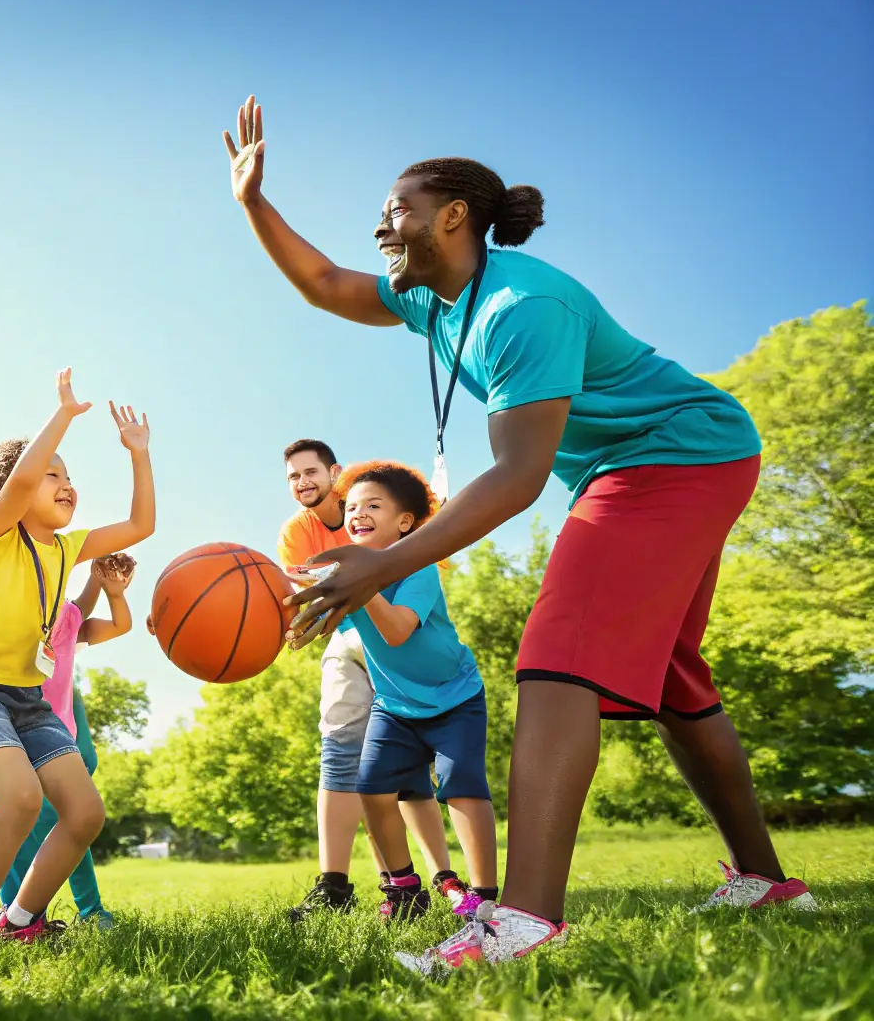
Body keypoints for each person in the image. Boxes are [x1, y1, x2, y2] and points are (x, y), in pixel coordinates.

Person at [223, 94, 813, 971]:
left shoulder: (519, 308)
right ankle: (766, 880)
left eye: (397, 209)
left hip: (674, 457)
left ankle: (524, 919)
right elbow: (325, 285)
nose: (381, 223)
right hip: (666, 461)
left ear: (452, 217)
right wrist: (253, 204)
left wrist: (380, 564)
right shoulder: (435, 301)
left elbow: (516, 476)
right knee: (675, 678)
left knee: (557, 651)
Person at [0, 371, 154, 968]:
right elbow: (24, 475)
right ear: (16, 486)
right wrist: (62, 416)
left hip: (27, 699)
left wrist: (139, 454)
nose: (65, 484)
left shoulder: (67, 546)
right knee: (22, 799)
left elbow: (140, 527)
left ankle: (19, 921)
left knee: (85, 814)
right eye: (51, 474)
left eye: (70, 476)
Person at [278, 440, 471, 922]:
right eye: (293, 476)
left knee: (406, 768)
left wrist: (420, 528)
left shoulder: (372, 504)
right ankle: (335, 885)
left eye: (310, 472)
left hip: (398, 634)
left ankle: (441, 876)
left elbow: (422, 567)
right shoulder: (299, 530)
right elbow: (298, 591)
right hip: (350, 635)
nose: (302, 482)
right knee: (343, 751)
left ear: (333, 473)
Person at [337, 462, 499, 923]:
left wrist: (361, 584)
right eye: (351, 507)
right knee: (372, 790)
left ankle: (483, 897)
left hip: (455, 699)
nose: (358, 513)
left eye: (372, 505)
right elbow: (300, 620)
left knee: (461, 787)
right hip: (396, 708)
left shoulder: (419, 568)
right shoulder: (350, 582)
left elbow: (398, 632)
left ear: (405, 523)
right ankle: (404, 888)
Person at [0, 554, 136, 931]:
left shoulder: (65, 620)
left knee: (69, 815)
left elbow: (90, 613)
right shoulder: (2, 608)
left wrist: (102, 582)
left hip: (48, 737)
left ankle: (31, 915)